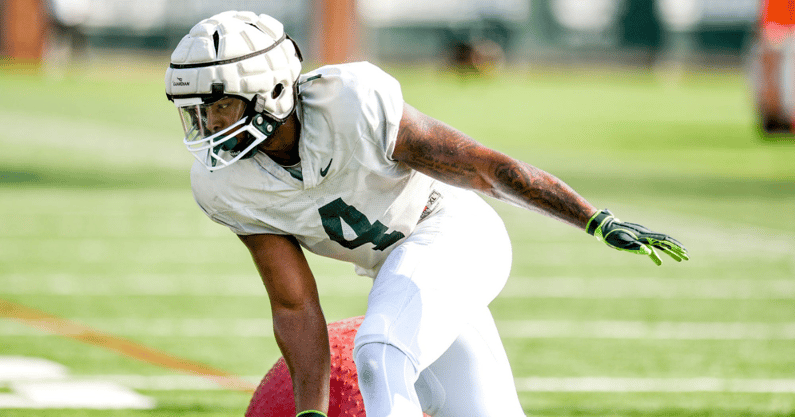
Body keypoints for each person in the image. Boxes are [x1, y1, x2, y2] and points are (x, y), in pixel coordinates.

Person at [165, 11, 689, 417]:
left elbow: (483, 167)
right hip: (400, 270)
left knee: (380, 351)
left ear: (270, 89)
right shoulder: (224, 184)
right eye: (199, 112)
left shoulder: (350, 100)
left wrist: (591, 217)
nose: (208, 125)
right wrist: (310, 410)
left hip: (454, 230)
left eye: (220, 106)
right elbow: (295, 306)